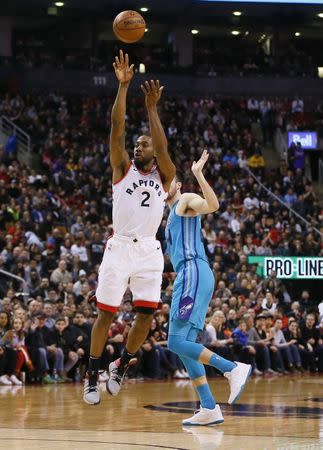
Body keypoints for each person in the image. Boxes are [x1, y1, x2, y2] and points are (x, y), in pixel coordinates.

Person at [83, 50, 176, 404]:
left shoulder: (166, 173)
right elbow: (117, 127)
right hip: (120, 247)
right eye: (138, 143)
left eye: (145, 143)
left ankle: (121, 364)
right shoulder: (123, 167)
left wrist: (152, 109)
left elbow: (164, 145)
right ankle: (92, 373)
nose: (139, 146)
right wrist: (123, 87)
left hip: (150, 249)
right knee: (105, 315)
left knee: (146, 316)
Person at [165, 150, 251, 426]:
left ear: (177, 185)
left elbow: (213, 205)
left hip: (194, 272)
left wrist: (199, 175)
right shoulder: (167, 216)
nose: (161, 186)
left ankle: (232, 369)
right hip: (188, 275)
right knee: (183, 346)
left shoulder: (185, 200)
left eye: (167, 181)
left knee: (175, 342)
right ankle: (209, 407)